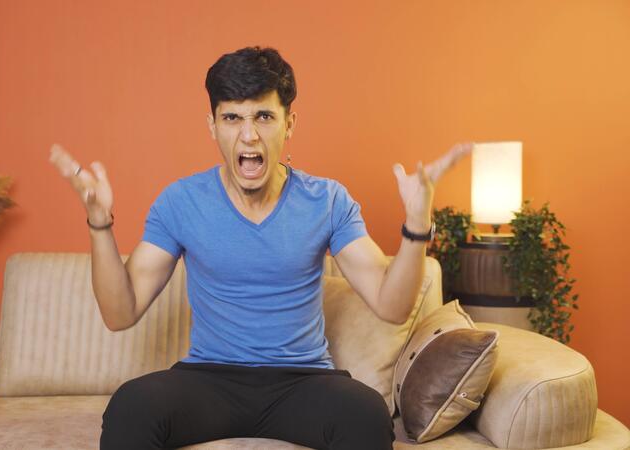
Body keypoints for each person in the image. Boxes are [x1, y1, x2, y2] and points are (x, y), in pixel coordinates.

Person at [50, 46, 472, 450]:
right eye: (232, 118)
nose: (249, 135)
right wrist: (100, 223)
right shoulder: (181, 201)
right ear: (212, 126)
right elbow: (119, 313)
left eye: (264, 117)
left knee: (365, 413)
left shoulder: (327, 200)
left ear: (289, 124)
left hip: (301, 381)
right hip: (209, 379)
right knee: (130, 407)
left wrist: (417, 224)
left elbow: (392, 306)